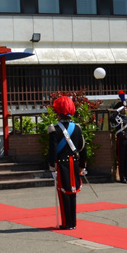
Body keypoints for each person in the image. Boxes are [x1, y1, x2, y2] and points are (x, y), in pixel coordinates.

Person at [48, 96, 87, 230]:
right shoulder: (77, 128)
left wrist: (52, 166)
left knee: (63, 193)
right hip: (74, 164)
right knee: (73, 193)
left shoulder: (54, 129)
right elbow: (82, 148)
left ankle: (66, 223)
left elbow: (52, 150)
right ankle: (73, 222)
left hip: (62, 164)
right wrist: (83, 165)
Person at [110, 99, 127, 183]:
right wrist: (116, 111)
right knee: (122, 159)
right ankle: (123, 177)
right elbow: (111, 119)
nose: (125, 109)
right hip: (122, 139)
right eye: (123, 108)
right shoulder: (117, 118)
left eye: (126, 108)